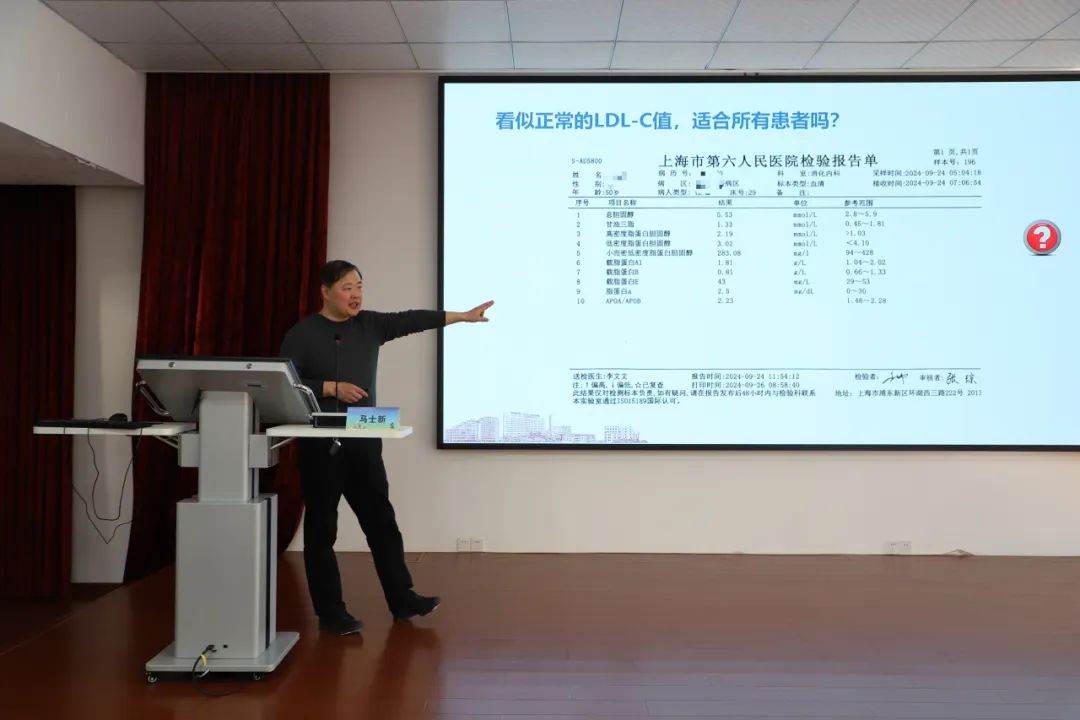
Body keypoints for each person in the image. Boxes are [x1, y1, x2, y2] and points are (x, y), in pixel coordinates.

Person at [280, 259, 493, 635]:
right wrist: (330, 387)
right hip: (320, 444)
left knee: (382, 523)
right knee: (322, 531)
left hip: (364, 439)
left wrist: (460, 316)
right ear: (325, 292)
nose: (356, 295)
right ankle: (331, 613)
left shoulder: (370, 325)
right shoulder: (302, 334)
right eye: (347, 287)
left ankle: (403, 598)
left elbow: (412, 320)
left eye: (359, 286)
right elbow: (284, 384)